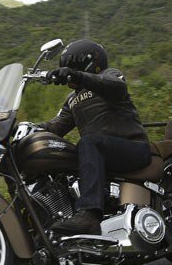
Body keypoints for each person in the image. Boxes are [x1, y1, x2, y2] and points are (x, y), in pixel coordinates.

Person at [37, 39, 151, 236]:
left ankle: (89, 216)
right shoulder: (72, 99)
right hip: (100, 153)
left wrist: (78, 76)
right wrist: (24, 128)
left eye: (70, 66)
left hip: (133, 147)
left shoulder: (109, 75)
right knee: (54, 154)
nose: (67, 70)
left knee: (89, 142)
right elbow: (56, 126)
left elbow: (116, 87)